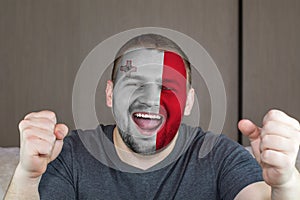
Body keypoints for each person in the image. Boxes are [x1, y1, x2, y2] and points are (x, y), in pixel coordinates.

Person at [5, 34, 300, 200]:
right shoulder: (71, 156)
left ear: (189, 102)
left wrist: (285, 183)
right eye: (134, 85)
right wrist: (27, 177)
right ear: (110, 95)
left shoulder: (219, 157)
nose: (149, 99)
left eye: (167, 87)